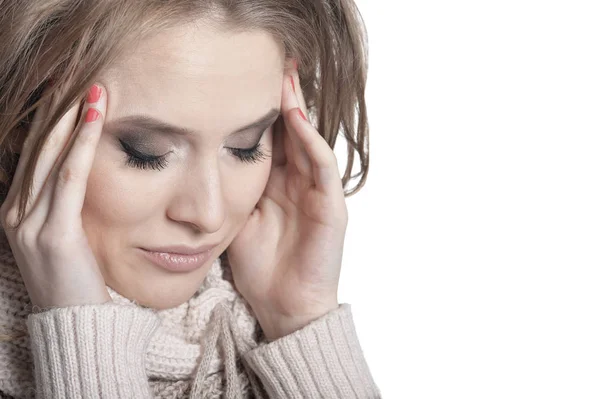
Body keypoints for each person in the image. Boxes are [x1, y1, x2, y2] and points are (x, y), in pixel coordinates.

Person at [0, 0, 379, 397]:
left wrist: (301, 319)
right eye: (146, 152)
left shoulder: (238, 319)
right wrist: (79, 334)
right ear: (25, 123)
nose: (209, 215)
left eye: (245, 147)